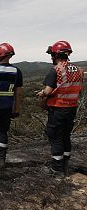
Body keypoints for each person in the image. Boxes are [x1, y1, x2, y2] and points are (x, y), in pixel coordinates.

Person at [37, 40, 84, 177]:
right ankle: (65, 165)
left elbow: (47, 91)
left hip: (58, 108)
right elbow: (76, 88)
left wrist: (42, 94)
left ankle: (57, 170)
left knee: (56, 136)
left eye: (52, 54)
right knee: (65, 136)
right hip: (72, 108)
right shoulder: (78, 70)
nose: (51, 57)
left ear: (56, 55)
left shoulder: (56, 70)